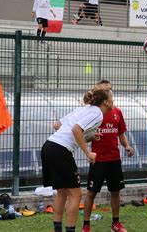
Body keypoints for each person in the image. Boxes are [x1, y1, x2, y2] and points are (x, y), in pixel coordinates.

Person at [41, 88, 113, 232]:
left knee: (62, 192)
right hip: (60, 150)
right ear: (105, 102)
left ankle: (58, 229)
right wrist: (88, 153)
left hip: (49, 146)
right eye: (112, 98)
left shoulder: (85, 108)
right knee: (76, 194)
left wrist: (88, 137)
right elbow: (76, 129)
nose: (113, 101)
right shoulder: (97, 113)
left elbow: (58, 126)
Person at [82, 80, 133, 232]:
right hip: (98, 159)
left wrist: (127, 146)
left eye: (110, 90)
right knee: (91, 192)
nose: (110, 93)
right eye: (106, 90)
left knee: (115, 191)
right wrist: (92, 136)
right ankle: (86, 226)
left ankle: (116, 224)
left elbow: (121, 133)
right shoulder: (91, 113)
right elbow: (81, 135)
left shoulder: (117, 112)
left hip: (114, 159)